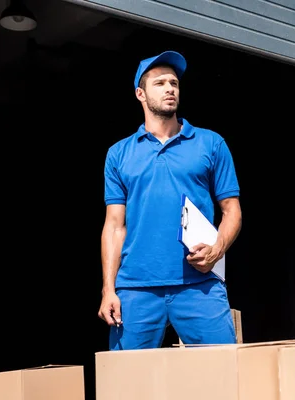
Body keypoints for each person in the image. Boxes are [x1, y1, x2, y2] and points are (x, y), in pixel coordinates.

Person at [97, 50, 242, 350]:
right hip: (136, 289)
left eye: (174, 83)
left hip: (200, 285)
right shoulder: (119, 154)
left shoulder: (211, 143)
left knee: (224, 378)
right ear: (140, 93)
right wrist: (108, 289)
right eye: (160, 83)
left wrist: (217, 249)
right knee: (127, 388)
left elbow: (232, 211)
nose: (170, 89)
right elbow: (114, 226)